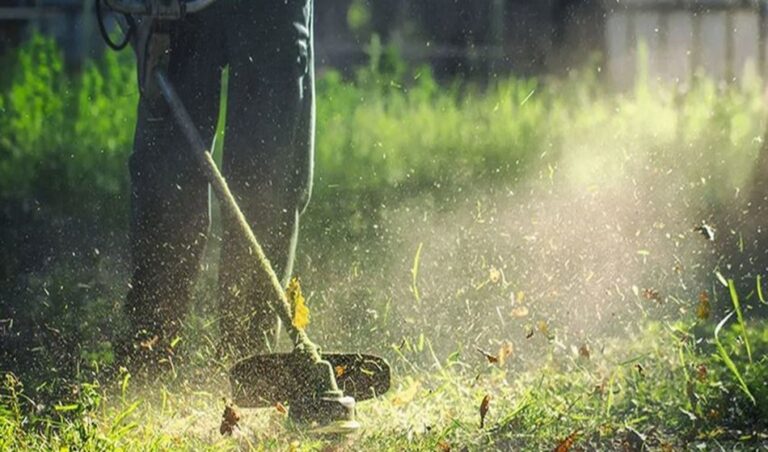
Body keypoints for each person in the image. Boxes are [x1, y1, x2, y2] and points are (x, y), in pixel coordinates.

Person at [120, 0, 315, 367]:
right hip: (180, 9)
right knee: (167, 176)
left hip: (272, 10)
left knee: (266, 177)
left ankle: (250, 360)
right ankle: (151, 346)